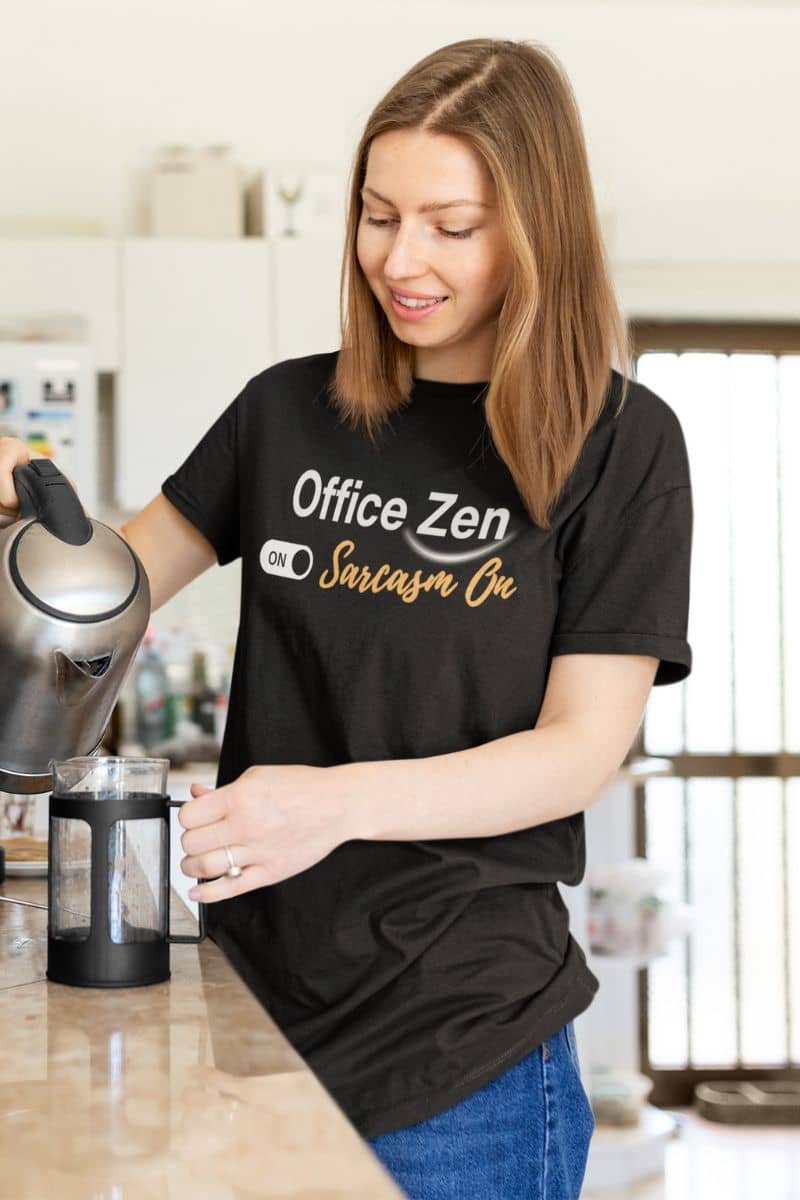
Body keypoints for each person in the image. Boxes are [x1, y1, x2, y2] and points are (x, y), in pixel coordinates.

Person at [0, 36, 693, 1200]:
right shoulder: (283, 412)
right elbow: (107, 595)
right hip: (254, 1017)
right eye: (376, 216)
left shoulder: (618, 446)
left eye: (449, 226)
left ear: (538, 229)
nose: (399, 258)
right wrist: (27, 503)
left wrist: (332, 802)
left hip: (466, 1052)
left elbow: (580, 750)